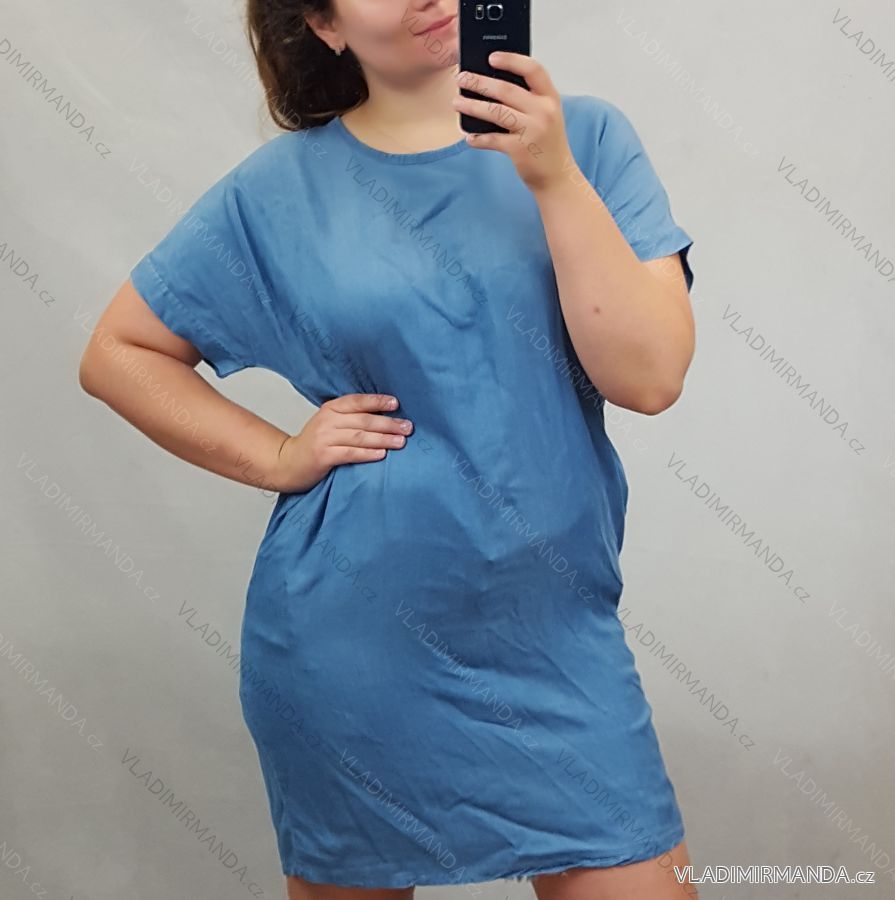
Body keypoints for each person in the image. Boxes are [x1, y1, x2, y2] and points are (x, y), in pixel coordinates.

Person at [79, 1, 699, 898]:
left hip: (556, 638)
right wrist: (279, 455)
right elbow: (119, 353)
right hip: (355, 650)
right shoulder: (280, 189)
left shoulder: (588, 141)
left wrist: (553, 176)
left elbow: (648, 377)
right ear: (324, 25)